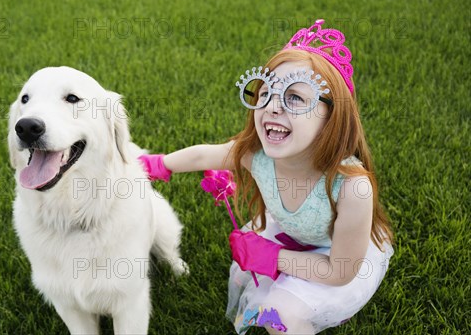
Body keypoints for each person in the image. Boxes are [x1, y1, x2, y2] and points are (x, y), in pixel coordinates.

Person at [139, 19, 394, 334]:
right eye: (266, 93)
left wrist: (273, 257)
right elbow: (204, 155)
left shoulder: (352, 187)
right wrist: (156, 164)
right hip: (292, 237)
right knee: (245, 281)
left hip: (337, 256)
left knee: (280, 313)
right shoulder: (255, 156)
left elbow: (340, 271)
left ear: (333, 117)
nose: (273, 106)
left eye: (295, 97)